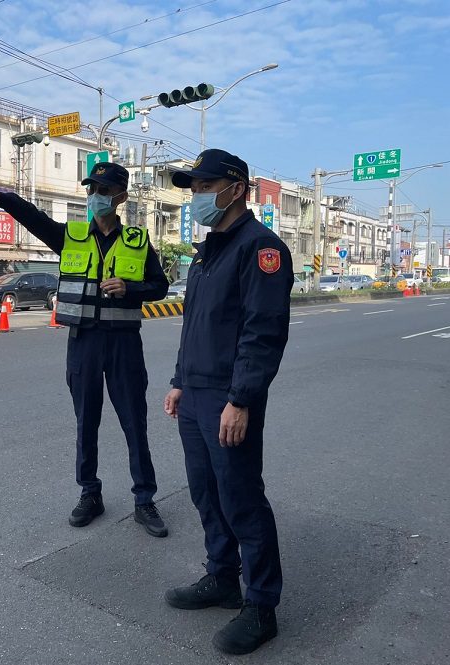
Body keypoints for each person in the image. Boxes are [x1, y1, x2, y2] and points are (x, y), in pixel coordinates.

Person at [0, 162, 170, 537]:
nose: (95, 197)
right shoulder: (70, 235)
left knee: (133, 423)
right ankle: (90, 493)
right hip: (84, 342)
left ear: (120, 197)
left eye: (103, 191)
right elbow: (33, 218)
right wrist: (3, 198)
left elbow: (160, 286)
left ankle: (144, 500)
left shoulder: (137, 241)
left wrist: (130, 289)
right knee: (86, 421)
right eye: (91, 189)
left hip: (123, 344)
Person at [162, 149, 293, 655]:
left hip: (228, 396)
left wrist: (240, 400)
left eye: (204, 186)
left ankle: (261, 606)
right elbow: (196, 324)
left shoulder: (261, 248)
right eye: (193, 187)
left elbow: (262, 334)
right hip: (194, 392)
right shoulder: (207, 250)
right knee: (205, 492)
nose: (196, 196)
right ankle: (221, 577)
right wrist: (178, 380)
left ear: (236, 188)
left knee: (241, 497)